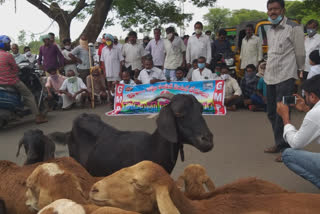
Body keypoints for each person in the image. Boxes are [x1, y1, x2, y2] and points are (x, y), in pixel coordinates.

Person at [263, 0, 305, 162]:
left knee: (283, 112)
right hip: (270, 76)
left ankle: (286, 149)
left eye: (275, 9)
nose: (272, 12)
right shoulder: (270, 29)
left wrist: (300, 71)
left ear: (282, 10)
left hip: (286, 76)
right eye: (269, 9)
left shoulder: (294, 28)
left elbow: (300, 52)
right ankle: (279, 142)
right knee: (271, 113)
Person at [277, 75, 320, 187]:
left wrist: (285, 117)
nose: (304, 98)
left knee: (288, 155)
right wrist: (307, 109)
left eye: (305, 95)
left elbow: (296, 143)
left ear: (312, 96)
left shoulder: (315, 113)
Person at [0, 35, 47, 124]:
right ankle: (38, 117)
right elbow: (16, 69)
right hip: (11, 81)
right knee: (29, 95)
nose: (9, 46)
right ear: (2, 44)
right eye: (8, 44)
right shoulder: (7, 55)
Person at [100, 34, 124, 100]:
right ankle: (111, 99)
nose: (107, 41)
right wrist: (104, 71)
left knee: (117, 85)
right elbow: (102, 61)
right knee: (109, 85)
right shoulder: (103, 49)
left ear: (112, 40)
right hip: (108, 71)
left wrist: (120, 71)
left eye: (109, 40)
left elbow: (121, 61)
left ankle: (118, 99)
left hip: (116, 71)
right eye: (106, 40)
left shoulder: (117, 49)